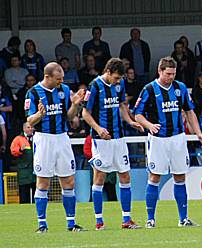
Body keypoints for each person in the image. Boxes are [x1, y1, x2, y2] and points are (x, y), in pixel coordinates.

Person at [133, 57, 202, 228]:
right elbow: (137, 114)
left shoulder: (180, 87)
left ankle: (183, 219)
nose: (171, 77)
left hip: (178, 138)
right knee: (154, 176)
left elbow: (189, 112)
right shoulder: (149, 89)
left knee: (180, 176)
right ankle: (150, 219)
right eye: (168, 74)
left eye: (173, 73)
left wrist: (198, 133)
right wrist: (149, 125)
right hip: (158, 140)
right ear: (159, 71)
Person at [82, 58, 144, 230]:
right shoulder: (94, 86)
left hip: (119, 138)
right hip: (101, 140)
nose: (119, 81)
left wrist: (130, 122)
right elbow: (85, 113)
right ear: (108, 72)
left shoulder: (120, 84)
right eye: (116, 78)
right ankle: (99, 221)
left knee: (124, 176)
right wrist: (98, 128)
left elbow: (122, 106)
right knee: (100, 177)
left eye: (120, 78)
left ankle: (126, 219)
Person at [26, 62, 86, 232]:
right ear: (47, 77)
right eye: (58, 79)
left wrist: (74, 105)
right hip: (44, 139)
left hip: (62, 138)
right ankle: (42, 224)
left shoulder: (64, 90)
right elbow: (29, 120)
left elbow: (68, 117)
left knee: (68, 180)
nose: (61, 82)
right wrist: (39, 114)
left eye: (62, 79)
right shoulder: (33, 93)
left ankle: (71, 223)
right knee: (43, 181)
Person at [11, 122, 35, 204]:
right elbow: (13, 151)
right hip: (24, 172)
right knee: (24, 197)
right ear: (24, 128)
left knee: (37, 195)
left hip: (35, 171)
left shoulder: (37, 138)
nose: (30, 129)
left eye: (32, 127)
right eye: (28, 127)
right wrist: (20, 150)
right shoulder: (18, 139)